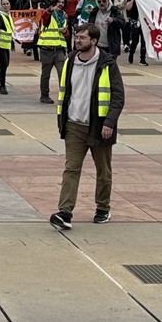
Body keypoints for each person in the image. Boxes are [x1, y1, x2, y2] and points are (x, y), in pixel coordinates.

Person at [50, 23, 125, 230]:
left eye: (82, 38)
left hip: (99, 126)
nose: (78, 41)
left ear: (93, 41)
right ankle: (65, 212)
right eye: (77, 37)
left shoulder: (107, 63)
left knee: (103, 171)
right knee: (71, 169)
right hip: (74, 125)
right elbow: (66, 93)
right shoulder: (70, 60)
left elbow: (118, 97)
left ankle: (103, 208)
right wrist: (62, 120)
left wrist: (109, 122)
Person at [36, 0, 70, 105]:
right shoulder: (49, 13)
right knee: (46, 75)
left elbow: (67, 35)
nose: (61, 4)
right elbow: (44, 17)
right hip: (47, 49)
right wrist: (51, 9)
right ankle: (44, 95)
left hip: (59, 49)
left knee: (63, 74)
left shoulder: (64, 16)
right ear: (55, 2)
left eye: (63, 2)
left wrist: (66, 33)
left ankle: (64, 96)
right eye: (59, 2)